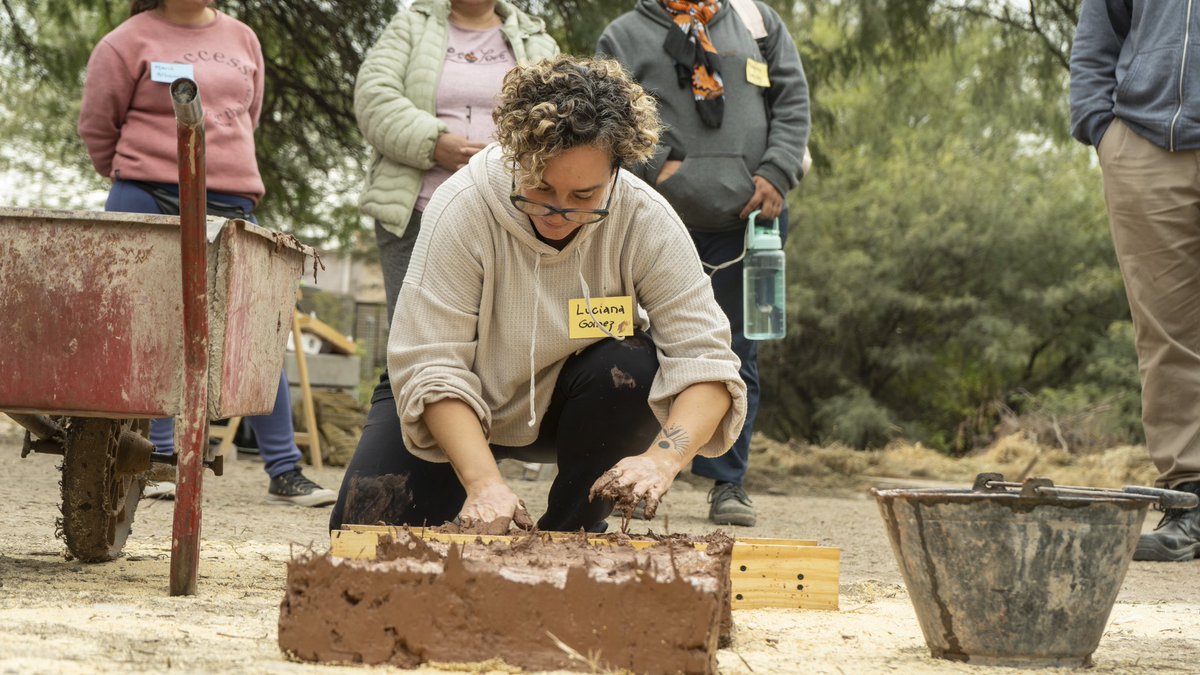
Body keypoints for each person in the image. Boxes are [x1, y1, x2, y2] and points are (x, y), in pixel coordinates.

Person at [328, 55, 747, 534]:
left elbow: (708, 363)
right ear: (515, 154)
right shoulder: (461, 207)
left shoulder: (647, 220)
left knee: (632, 365)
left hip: (572, 405)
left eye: (584, 196)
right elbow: (431, 364)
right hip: (457, 400)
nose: (558, 213)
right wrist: (485, 484)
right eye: (540, 187)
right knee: (361, 536)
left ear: (615, 171)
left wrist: (662, 460)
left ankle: (571, 531)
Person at [77, 0, 336, 507]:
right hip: (146, 193)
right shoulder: (126, 41)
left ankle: (285, 470)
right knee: (147, 324)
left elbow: (247, 116)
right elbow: (97, 127)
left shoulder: (243, 38)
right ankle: (158, 456)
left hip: (230, 199)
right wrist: (138, 168)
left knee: (257, 332)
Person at [597, 0, 809, 526]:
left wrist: (778, 171)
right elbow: (604, 115)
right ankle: (627, 481)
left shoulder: (759, 23)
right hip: (653, 221)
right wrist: (657, 167)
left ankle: (727, 484)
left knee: (738, 355)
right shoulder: (623, 35)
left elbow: (792, 100)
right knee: (633, 350)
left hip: (749, 223)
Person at [1070, 1, 1200, 561]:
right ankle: (1191, 500)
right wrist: (1100, 127)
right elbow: (1099, 27)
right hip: (1147, 146)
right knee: (1167, 334)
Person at [355, 0, 558, 322]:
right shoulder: (410, 26)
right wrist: (434, 143)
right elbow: (374, 99)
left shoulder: (537, 39)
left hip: (511, 214)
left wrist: (499, 160)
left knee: (500, 334)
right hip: (416, 213)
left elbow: (557, 118)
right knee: (413, 332)